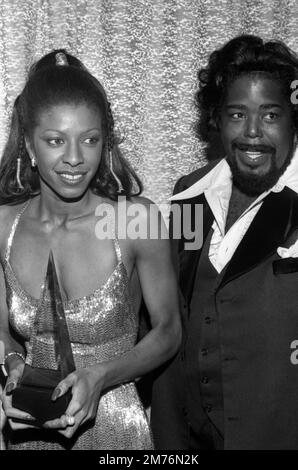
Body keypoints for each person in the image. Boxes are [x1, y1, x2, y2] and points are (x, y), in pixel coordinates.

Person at [0, 49, 181, 450]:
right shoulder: (4, 226)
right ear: (29, 145)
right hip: (31, 429)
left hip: (116, 432)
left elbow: (169, 330)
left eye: (90, 139)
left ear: (105, 142)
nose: (75, 158)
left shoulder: (135, 218)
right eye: (55, 140)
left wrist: (101, 375)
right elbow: (4, 335)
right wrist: (12, 367)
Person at [151, 34, 298, 450]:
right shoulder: (190, 194)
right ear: (216, 119)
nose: (252, 133)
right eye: (237, 114)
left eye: (271, 115)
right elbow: (177, 313)